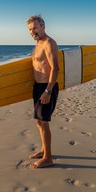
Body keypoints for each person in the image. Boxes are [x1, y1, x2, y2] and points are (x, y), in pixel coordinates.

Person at [26, 15, 59, 169]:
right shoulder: (38, 44)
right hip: (38, 87)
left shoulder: (49, 43)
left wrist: (48, 91)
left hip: (47, 87)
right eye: (30, 29)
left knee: (44, 122)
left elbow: (55, 68)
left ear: (43, 27)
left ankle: (48, 158)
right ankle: (44, 150)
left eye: (35, 28)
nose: (32, 31)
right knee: (39, 121)